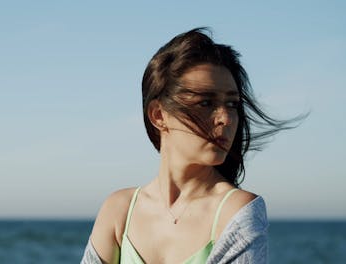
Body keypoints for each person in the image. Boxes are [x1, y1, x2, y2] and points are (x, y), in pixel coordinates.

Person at [81, 28, 292, 264]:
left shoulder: (235, 211)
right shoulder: (119, 210)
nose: (226, 118)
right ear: (159, 115)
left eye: (232, 104)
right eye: (205, 102)